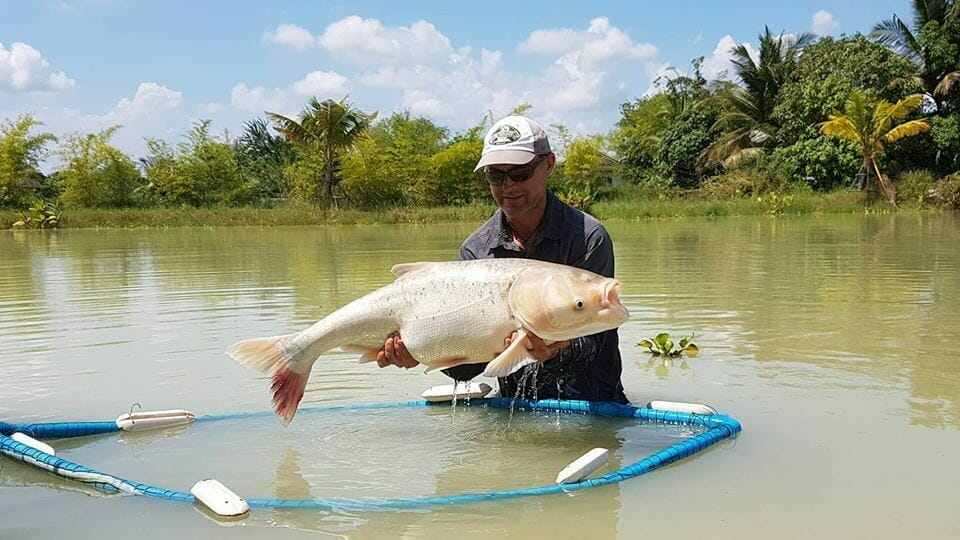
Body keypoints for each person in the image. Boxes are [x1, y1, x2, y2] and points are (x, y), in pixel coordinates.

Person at [377, 115, 628, 404]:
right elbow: (467, 368)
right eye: (496, 175)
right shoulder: (476, 252)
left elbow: (597, 338)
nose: (508, 186)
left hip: (594, 407)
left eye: (519, 173)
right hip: (514, 409)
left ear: (548, 165)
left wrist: (555, 350)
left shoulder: (587, 237)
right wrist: (418, 351)